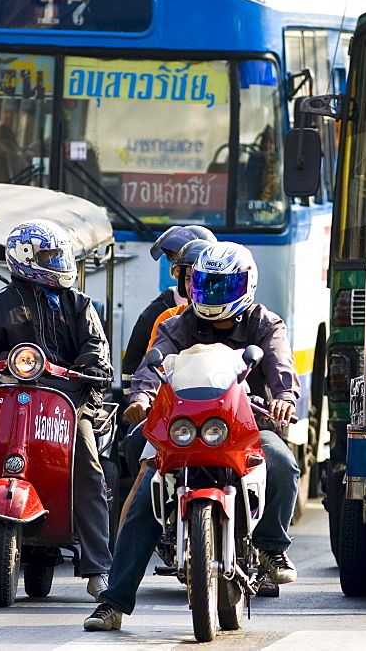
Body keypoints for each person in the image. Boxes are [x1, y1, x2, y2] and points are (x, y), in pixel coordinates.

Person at [84, 242, 300, 632]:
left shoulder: (265, 322)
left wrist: (285, 397)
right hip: (182, 431)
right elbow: (155, 364)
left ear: (246, 285)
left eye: (223, 286)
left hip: (247, 427)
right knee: (146, 497)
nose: (212, 295)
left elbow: (279, 361)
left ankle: (272, 548)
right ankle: (113, 602)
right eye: (205, 285)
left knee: (283, 462)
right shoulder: (176, 324)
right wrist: (141, 397)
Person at [0, 219, 113, 599]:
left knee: (86, 462)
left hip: (68, 404)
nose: (58, 261)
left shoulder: (79, 304)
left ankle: (97, 567)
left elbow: (96, 349)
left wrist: (92, 368)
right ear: (25, 259)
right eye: (50, 256)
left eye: (58, 255)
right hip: (8, 403)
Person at [118, 226, 217, 479]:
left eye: (202, 274)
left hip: (222, 417)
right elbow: (147, 369)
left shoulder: (249, 318)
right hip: (173, 415)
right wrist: (142, 402)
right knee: (142, 465)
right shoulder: (168, 318)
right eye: (183, 272)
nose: (194, 283)